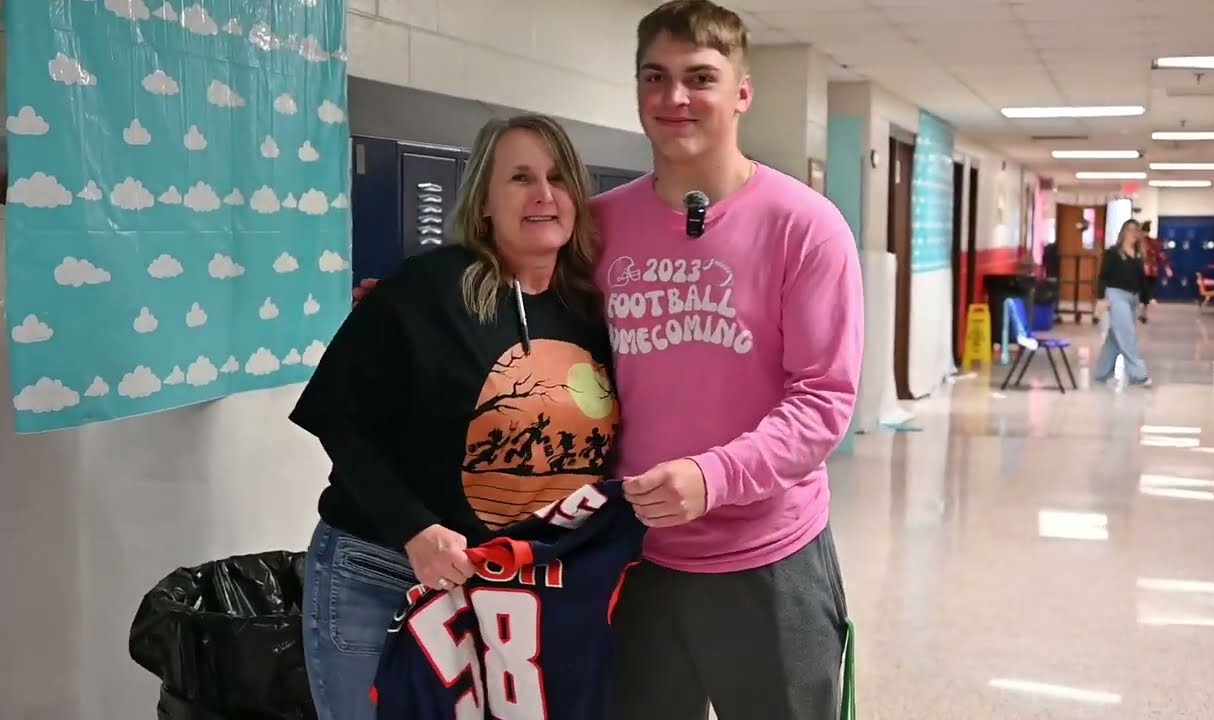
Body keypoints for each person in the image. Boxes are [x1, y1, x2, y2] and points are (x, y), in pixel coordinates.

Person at [288, 114, 620, 720]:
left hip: (515, 590)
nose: (544, 194)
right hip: (386, 570)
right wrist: (414, 528)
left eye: (558, 177)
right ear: (485, 203)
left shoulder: (592, 313)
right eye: (521, 177)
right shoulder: (429, 288)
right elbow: (338, 415)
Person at [593, 2, 864, 718]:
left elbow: (823, 400)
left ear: (742, 93)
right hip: (632, 556)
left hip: (769, 558)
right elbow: (525, 317)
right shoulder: (599, 225)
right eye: (655, 76)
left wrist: (713, 477)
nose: (674, 98)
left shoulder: (805, 227)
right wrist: (415, 305)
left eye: (699, 78)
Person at [1094, 218, 1153, 387]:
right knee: (1127, 336)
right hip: (1116, 296)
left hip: (1132, 298)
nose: (1133, 233)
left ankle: (1102, 372)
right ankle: (1139, 375)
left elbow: (1142, 282)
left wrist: (1145, 303)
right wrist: (1101, 299)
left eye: (1136, 230)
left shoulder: (1138, 255)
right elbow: (1103, 277)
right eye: (1129, 230)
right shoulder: (1113, 253)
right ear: (1123, 233)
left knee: (1115, 337)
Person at [1137, 220, 1171, 323]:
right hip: (1150, 271)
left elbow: (1160, 256)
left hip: (1144, 271)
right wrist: (1167, 268)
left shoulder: (1140, 243)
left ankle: (1142, 313)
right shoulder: (1153, 243)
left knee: (1143, 293)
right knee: (1145, 293)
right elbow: (1161, 256)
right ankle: (1143, 313)